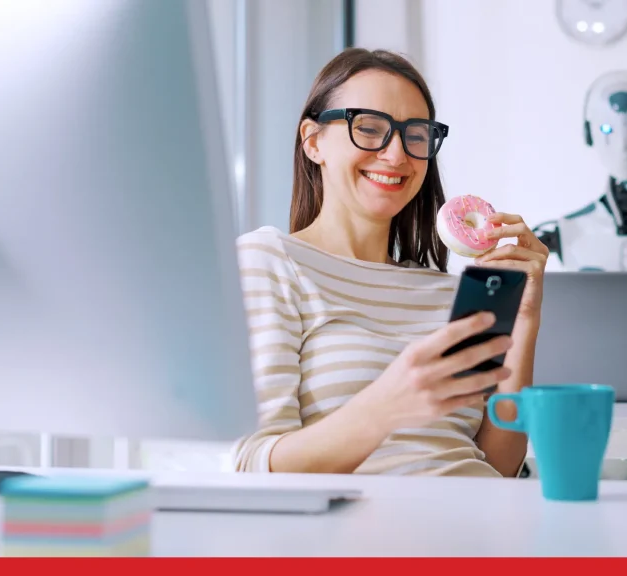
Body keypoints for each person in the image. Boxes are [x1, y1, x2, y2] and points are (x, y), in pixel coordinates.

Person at [232, 48, 550, 478]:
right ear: (313, 141)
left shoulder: (452, 292)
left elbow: (499, 466)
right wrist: (384, 408)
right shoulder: (271, 261)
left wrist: (524, 320)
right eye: (369, 127)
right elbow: (254, 467)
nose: (397, 155)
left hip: (480, 529)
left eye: (415, 134)